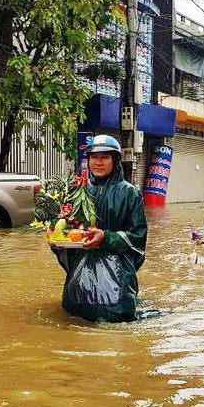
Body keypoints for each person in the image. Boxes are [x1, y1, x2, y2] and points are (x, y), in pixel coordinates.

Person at [51, 135, 147, 322]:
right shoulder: (78, 190)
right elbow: (67, 229)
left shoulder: (130, 193)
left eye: (105, 157)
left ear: (115, 160)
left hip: (116, 277)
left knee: (115, 320)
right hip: (79, 278)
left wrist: (105, 238)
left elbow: (138, 236)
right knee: (72, 318)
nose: (98, 162)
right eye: (94, 157)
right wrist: (57, 234)